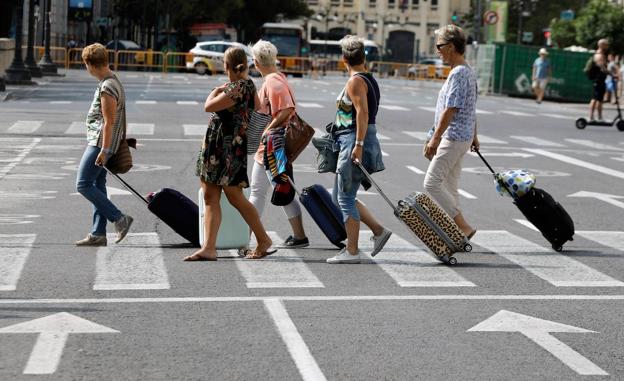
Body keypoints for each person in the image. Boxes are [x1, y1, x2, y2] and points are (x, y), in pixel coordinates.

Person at [185, 47, 273, 261]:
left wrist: (216, 91)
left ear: (226, 66)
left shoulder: (237, 87)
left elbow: (209, 106)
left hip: (224, 148)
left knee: (230, 197)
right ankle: (209, 247)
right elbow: (257, 105)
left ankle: (262, 239)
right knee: (213, 196)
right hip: (229, 147)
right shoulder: (248, 85)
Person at [325, 35, 392, 264]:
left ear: (343, 58)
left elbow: (362, 112)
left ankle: (352, 251)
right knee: (340, 195)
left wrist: (358, 145)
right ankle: (378, 231)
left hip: (354, 140)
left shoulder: (355, 81)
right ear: (363, 56)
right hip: (354, 139)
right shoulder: (369, 78)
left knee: (344, 198)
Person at [248, 40, 309, 251]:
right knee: (281, 190)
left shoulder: (273, 82)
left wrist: (267, 129)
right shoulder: (276, 78)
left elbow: (286, 110)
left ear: (256, 62)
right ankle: (299, 235)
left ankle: (246, 235)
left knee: (262, 192)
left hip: (272, 146)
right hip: (272, 146)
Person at [423, 25, 479, 240]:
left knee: (431, 182)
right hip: (462, 137)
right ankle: (457, 231)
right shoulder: (467, 71)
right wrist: (474, 136)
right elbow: (471, 108)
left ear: (452, 46)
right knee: (450, 186)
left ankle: (462, 226)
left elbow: (451, 108)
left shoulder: (459, 74)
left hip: (453, 137)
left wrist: (435, 139)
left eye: (439, 46)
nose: (437, 50)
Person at [74, 43, 133, 247]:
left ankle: (119, 218)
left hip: (100, 142)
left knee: (82, 184)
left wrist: (105, 150)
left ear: (90, 64)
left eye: (85, 65)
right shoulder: (113, 80)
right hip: (103, 141)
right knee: (97, 184)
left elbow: (109, 122)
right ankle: (98, 233)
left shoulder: (108, 86)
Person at [589, 39, 609, 122]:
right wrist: (610, 73)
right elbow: (601, 67)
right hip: (598, 79)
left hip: (601, 80)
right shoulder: (599, 55)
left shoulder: (602, 54)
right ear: (602, 45)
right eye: (606, 45)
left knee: (600, 99)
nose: (607, 46)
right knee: (595, 98)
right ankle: (591, 117)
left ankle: (599, 117)